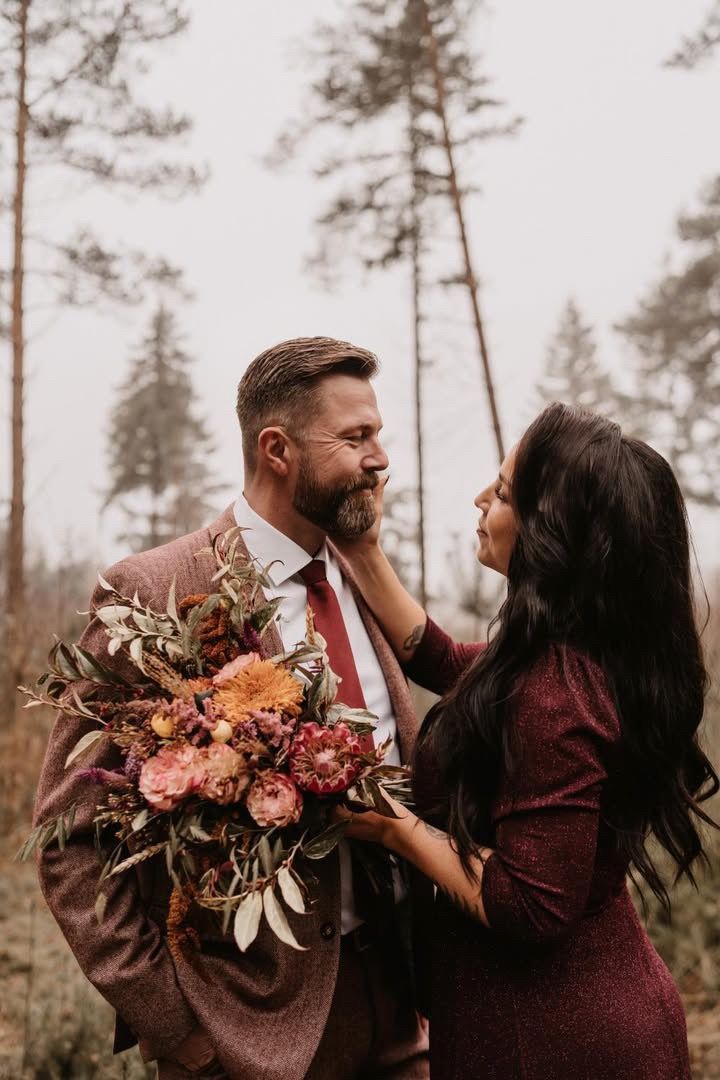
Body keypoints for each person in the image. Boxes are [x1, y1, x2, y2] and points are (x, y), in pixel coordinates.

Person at [33, 337, 429, 1080]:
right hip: (246, 1036)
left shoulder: (363, 576)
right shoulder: (152, 590)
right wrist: (170, 1020)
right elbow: (69, 837)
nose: (380, 458)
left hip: (401, 1011)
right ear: (277, 449)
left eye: (379, 435)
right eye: (356, 438)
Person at [331, 402, 718, 1080]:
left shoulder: (555, 694)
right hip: (562, 1020)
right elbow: (447, 662)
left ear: (553, 533)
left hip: (555, 1042)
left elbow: (532, 905)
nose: (481, 499)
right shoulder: (574, 651)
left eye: (505, 492)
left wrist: (394, 829)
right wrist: (364, 550)